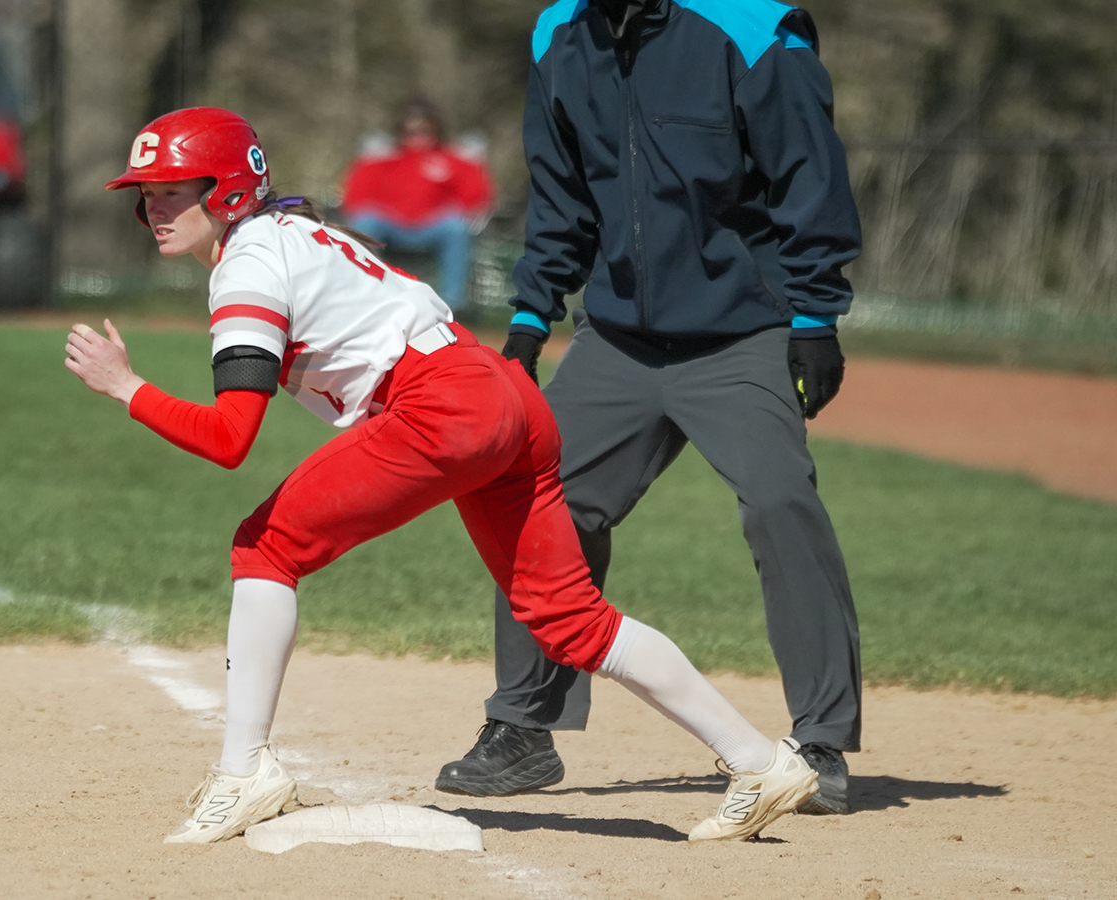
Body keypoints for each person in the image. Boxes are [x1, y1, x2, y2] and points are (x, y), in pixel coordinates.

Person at [65, 106, 818, 845]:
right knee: (568, 617)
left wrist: (127, 388)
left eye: (170, 188)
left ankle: (242, 774)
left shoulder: (249, 266)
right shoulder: (293, 233)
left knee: (265, 548)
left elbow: (231, 437)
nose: (151, 206)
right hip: (502, 395)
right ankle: (760, 761)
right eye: (145, 192)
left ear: (226, 190)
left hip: (445, 404)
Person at [435, 0, 863, 817]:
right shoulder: (558, 34)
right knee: (536, 498)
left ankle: (821, 739)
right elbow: (560, 190)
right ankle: (524, 727)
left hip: (743, 330)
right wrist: (532, 317)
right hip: (619, 335)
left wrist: (814, 318)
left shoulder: (751, 30)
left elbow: (811, 176)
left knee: (780, 503)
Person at [338, 98, 495, 310]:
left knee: (456, 227)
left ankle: (453, 304)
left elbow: (477, 197)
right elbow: (355, 198)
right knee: (366, 221)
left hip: (434, 226)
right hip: (390, 225)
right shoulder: (381, 158)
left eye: (425, 130)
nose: (418, 136)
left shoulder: (455, 158)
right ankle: (367, 296)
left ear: (437, 129)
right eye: (410, 130)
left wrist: (454, 211)